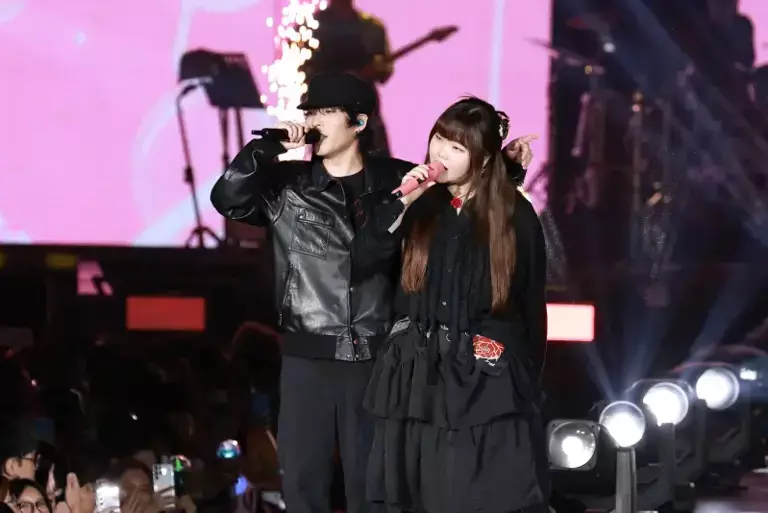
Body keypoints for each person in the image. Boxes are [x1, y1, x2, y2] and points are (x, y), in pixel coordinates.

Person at [210, 71, 413, 513]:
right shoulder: (288, 185)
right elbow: (227, 197)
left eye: (326, 111)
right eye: (310, 111)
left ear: (359, 122)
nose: (314, 120)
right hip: (308, 357)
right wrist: (267, 149)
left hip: (375, 357)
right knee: (303, 487)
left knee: (373, 490)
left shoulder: (396, 181)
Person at [362, 97, 550, 513]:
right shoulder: (420, 204)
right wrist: (402, 201)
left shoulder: (514, 214)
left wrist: (524, 378)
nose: (440, 154)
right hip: (417, 372)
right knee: (415, 491)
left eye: (456, 147)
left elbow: (531, 303)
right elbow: (364, 259)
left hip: (484, 375)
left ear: (482, 159)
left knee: (474, 490)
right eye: (438, 140)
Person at [302, 0, 394, 156]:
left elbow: (385, 72)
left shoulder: (371, 28)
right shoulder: (310, 28)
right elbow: (302, 72)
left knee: (374, 163)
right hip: (327, 113)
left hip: (365, 112)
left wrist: (377, 68)